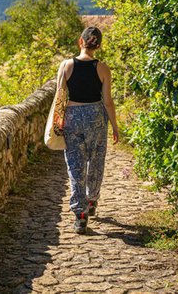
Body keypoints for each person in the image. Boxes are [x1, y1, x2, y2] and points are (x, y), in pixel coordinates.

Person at [54, 26, 120, 234]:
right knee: (96, 159)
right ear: (98, 46)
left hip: (72, 117)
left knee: (75, 164)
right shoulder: (103, 68)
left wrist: (57, 124)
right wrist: (115, 126)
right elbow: (108, 101)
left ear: (79, 41)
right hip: (96, 118)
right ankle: (92, 199)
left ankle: (80, 214)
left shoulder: (66, 66)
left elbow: (59, 98)